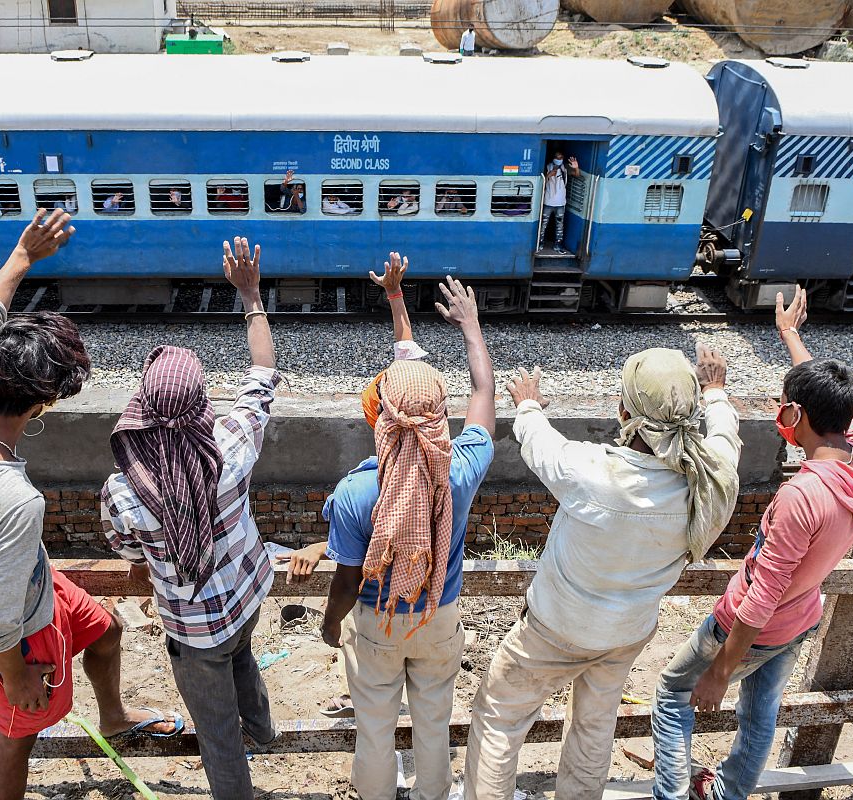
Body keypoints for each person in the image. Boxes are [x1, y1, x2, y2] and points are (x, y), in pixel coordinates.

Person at [0, 210, 180, 800]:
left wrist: (20, 258)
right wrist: (16, 676)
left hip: (22, 584)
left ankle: (112, 716)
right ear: (41, 403)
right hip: (9, 629)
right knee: (18, 734)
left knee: (107, 629)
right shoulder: (15, 502)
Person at [464, 344, 741, 800]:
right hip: (625, 634)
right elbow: (725, 441)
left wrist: (528, 402)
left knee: (500, 718)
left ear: (625, 410)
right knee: (593, 729)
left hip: (553, 630)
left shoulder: (592, 470)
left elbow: (538, 443)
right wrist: (715, 392)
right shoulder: (708, 479)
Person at [651, 287, 853, 800]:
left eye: (784, 406)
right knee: (760, 716)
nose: (780, 412)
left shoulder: (802, 496)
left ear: (796, 415)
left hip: (751, 624)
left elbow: (763, 592)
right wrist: (790, 337)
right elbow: (831, 407)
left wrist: (721, 670)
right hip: (801, 618)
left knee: (672, 694)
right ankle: (724, 794)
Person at [101, 237, 288, 797]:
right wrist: (251, 294)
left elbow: (126, 549)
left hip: (193, 629)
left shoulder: (123, 490)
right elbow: (263, 371)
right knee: (244, 655)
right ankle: (265, 729)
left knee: (215, 735)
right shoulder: (231, 444)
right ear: (202, 401)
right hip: (248, 597)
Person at [321, 267, 497, 800]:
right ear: (441, 417)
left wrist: (333, 626)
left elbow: (348, 579)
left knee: (374, 725)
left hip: (376, 623)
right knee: (433, 719)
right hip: (438, 616)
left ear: (382, 421)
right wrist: (468, 326)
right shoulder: (459, 472)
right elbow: (483, 391)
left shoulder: (357, 493)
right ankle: (430, 795)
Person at [539, 152, 579, 253]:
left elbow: (577, 175)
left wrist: (576, 167)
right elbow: (540, 181)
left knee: (559, 226)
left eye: (561, 157)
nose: (558, 159)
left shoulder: (564, 168)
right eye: (557, 157)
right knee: (543, 224)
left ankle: (558, 245)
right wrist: (548, 175)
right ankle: (539, 243)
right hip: (547, 201)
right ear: (553, 158)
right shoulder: (547, 166)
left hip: (561, 202)